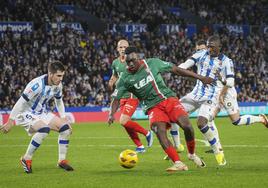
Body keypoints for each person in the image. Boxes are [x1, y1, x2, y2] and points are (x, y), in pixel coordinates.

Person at [108, 46, 214, 172]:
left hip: (168, 99)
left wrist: (201, 78)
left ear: (138, 58)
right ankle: (178, 163)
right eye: (128, 61)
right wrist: (111, 114)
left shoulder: (152, 63)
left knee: (187, 126)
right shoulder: (124, 79)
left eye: (133, 60)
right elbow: (116, 98)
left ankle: (191, 154)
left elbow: (176, 70)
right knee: (160, 132)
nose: (130, 64)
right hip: (152, 108)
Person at [0, 61, 73, 173]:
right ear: (50, 74)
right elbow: (20, 103)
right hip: (25, 113)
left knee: (66, 129)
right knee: (44, 129)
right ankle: (26, 158)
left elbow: (59, 101)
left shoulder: (58, 85)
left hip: (41, 112)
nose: (61, 79)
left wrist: (63, 117)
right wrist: (10, 121)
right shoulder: (36, 85)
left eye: (62, 76)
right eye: (58, 76)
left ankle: (61, 160)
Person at [169, 36, 228, 166]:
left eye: (212, 46)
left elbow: (228, 81)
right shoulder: (200, 54)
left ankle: (217, 149)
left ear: (219, 47)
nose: (209, 49)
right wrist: (178, 68)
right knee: (172, 114)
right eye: (208, 46)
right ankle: (178, 145)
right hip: (195, 94)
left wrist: (222, 89)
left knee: (202, 123)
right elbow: (184, 66)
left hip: (211, 96)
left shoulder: (225, 62)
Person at [108, 39, 153, 153]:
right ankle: (140, 146)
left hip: (132, 95)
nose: (123, 49)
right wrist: (111, 82)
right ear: (117, 49)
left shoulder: (132, 61)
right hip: (121, 96)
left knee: (123, 120)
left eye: (125, 47)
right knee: (126, 124)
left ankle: (147, 133)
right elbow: (115, 75)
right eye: (121, 47)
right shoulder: (115, 63)